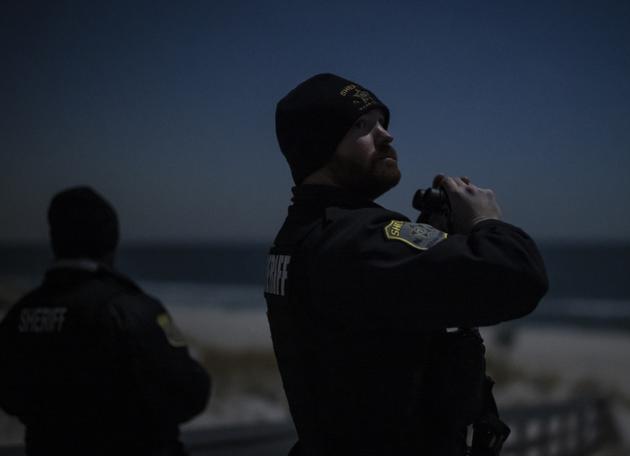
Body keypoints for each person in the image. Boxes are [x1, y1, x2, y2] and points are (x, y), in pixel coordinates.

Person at [266, 73, 548, 456]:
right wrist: (485, 222)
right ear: (320, 145)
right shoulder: (351, 240)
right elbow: (519, 275)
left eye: (383, 122)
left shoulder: (305, 232)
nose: (386, 136)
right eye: (362, 126)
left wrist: (440, 241)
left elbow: (381, 307)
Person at [0, 186, 211, 456]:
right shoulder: (132, 311)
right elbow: (190, 391)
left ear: (55, 239)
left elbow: (9, 395)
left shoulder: (21, 314)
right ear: (111, 242)